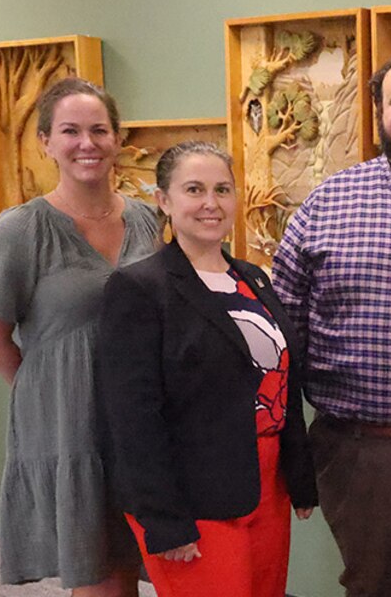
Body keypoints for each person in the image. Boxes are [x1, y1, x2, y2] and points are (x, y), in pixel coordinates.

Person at [271, 52, 391, 596]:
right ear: (379, 111)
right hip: (361, 451)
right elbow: (285, 333)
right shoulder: (327, 202)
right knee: (376, 586)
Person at [95, 141, 318, 597]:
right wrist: (164, 519)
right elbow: (131, 418)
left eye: (222, 189)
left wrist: (299, 478)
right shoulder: (138, 289)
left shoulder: (253, 279)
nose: (211, 203)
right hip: (192, 495)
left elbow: (280, 377)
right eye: (194, 189)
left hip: (264, 484)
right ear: (164, 200)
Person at [0, 77, 159, 596]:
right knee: (97, 575)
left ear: (118, 139)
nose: (87, 144)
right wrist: (47, 394)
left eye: (99, 130)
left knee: (137, 563)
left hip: (139, 423)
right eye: (70, 131)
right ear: (46, 142)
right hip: (69, 428)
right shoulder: (20, 230)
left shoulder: (147, 220)